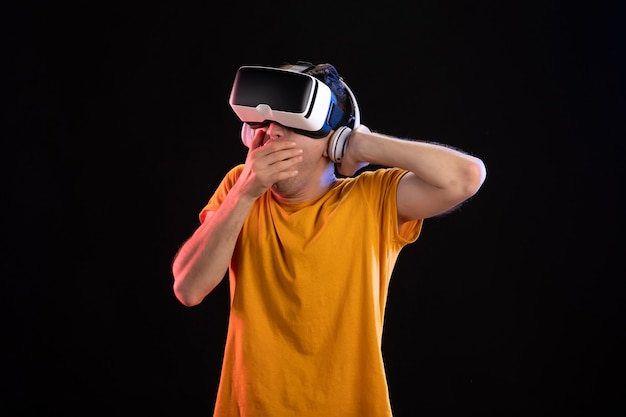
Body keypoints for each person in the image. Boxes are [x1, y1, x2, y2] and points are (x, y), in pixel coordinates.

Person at [171, 61, 487, 417]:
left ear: (332, 143)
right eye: (267, 121)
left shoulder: (372, 199)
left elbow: (466, 177)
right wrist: (244, 193)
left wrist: (361, 144)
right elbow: (188, 287)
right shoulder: (239, 188)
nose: (272, 133)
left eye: (292, 123)